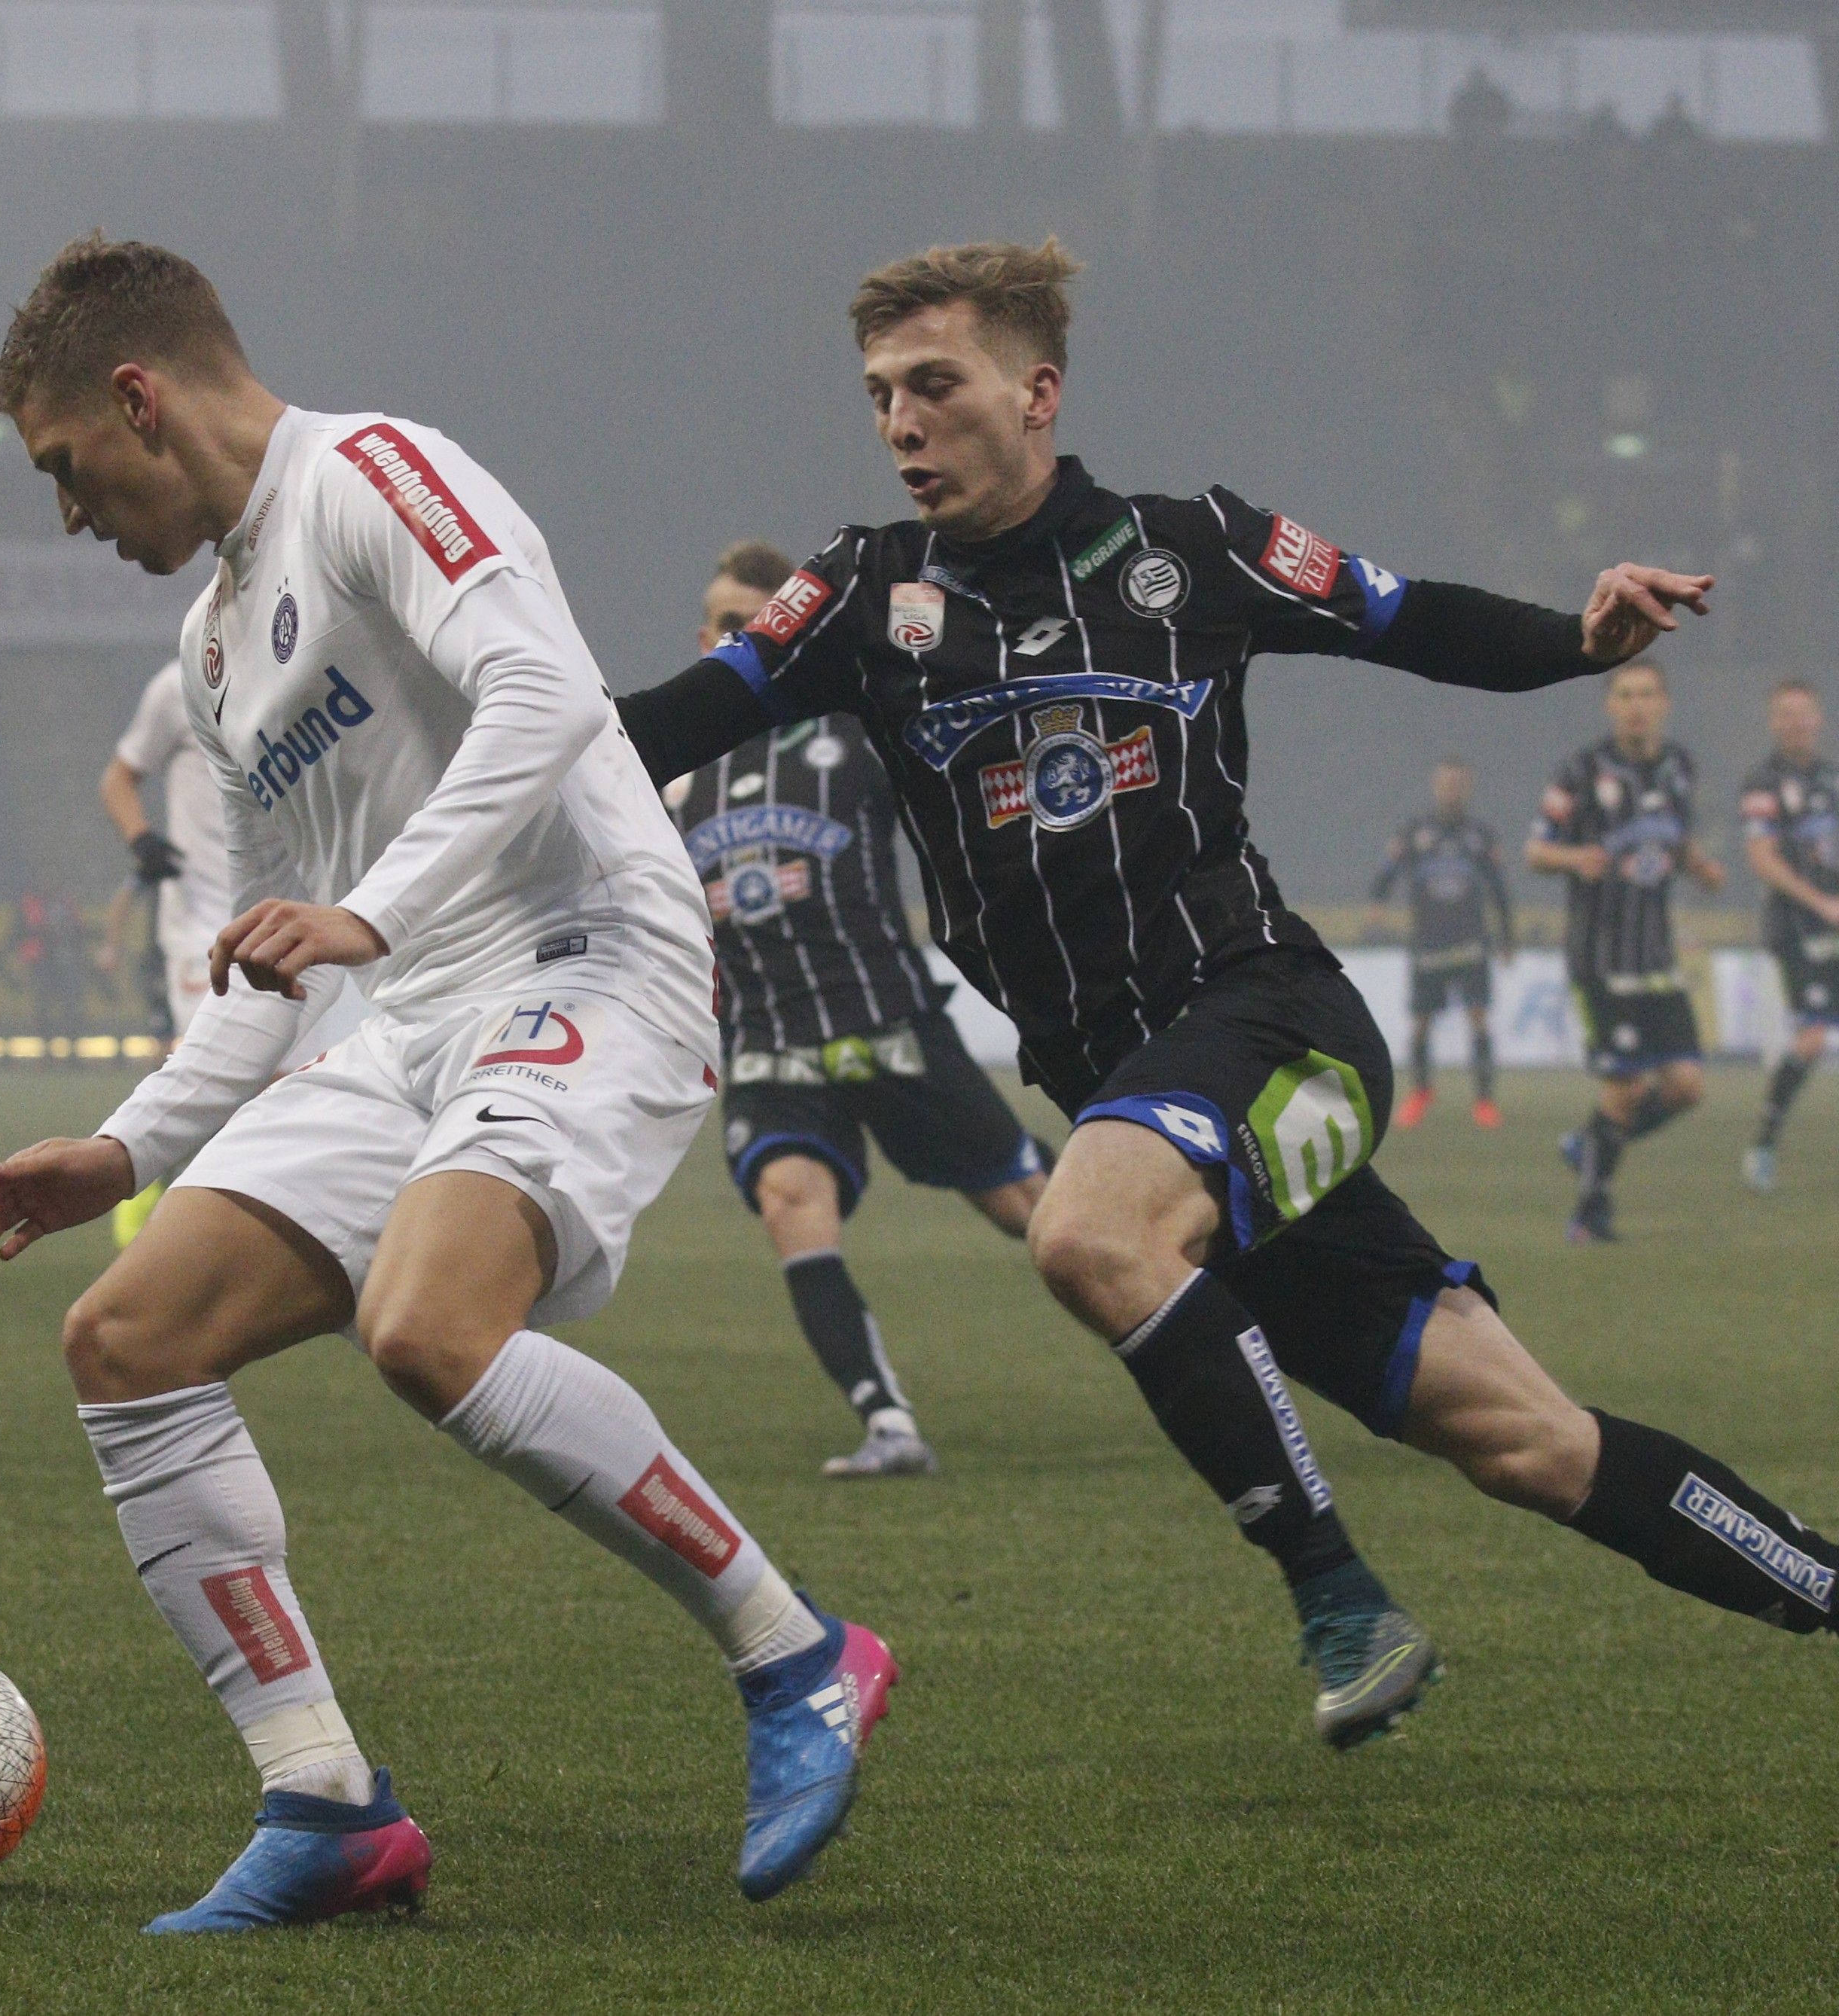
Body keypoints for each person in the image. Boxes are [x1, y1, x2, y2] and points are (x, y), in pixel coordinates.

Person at [618, 239, 1839, 1757]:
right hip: (1138, 1102)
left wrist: (1577, 643)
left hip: (1275, 1026)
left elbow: (1410, 620)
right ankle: (1825, 1585)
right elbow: (655, 729)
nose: (900, 423)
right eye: (879, 396)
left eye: (933, 385)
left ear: (1035, 389)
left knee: (1081, 1227)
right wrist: (455, 738)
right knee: (1529, 1443)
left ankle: (1338, 1600)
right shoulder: (864, 593)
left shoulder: (1190, 549)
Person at [0, 236, 893, 1933]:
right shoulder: (213, 650)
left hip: (584, 954)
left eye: (61, 470)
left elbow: (544, 694)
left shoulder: (373, 473)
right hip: (406, 1018)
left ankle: (800, 1654)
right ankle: (322, 1799)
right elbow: (281, 964)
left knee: (427, 1324)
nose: (69, 514)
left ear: (136, 396)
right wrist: (123, 1148)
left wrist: (375, 912)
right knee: (124, 1340)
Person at [667, 538, 1048, 1478]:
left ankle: (1207, 1300)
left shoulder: (851, 727)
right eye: (711, 621)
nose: (715, 636)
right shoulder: (676, 771)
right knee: (789, 1200)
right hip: (769, 1038)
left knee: (1029, 1210)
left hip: (884, 1015)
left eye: (737, 622)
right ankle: (887, 1422)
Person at [1528, 662, 1723, 1242]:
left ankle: (1589, 1147)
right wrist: (1574, 859)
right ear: (1610, 705)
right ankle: (1590, 1212)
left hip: (1657, 956)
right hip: (1600, 956)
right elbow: (1536, 851)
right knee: (1626, 1088)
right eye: (1625, 694)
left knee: (1687, 1086)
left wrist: (1699, 865)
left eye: (1646, 694)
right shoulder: (1581, 772)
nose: (1636, 704)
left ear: (1664, 703)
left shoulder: (1680, 767)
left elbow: (1674, 838)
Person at [102, 658, 237, 1245]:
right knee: (217, 1075)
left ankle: (174, 1199)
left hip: (290, 909)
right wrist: (141, 838)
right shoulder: (179, 682)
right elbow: (118, 777)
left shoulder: (306, 660)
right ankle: (163, 1208)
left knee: (281, 1085)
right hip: (198, 919)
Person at [1369, 760, 1514, 1130]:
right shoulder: (1416, 832)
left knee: (1479, 1018)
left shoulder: (1480, 834)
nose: (1451, 789)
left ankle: (1484, 1100)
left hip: (1471, 941)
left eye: (1457, 783)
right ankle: (1421, 1092)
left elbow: (1499, 888)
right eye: (1445, 783)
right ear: (1436, 786)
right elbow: (1387, 873)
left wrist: (1507, 936)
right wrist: (1376, 907)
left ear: (1467, 787)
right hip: (1428, 942)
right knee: (1421, 1023)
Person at [1737, 681, 1839, 1190]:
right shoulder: (1763, 782)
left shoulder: (1833, 777)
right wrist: (1820, 902)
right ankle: (1763, 1144)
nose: (1795, 722)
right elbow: (1762, 858)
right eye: (1785, 714)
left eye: (1803, 713)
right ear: (1774, 722)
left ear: (1818, 718)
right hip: (1798, 928)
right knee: (1813, 1036)